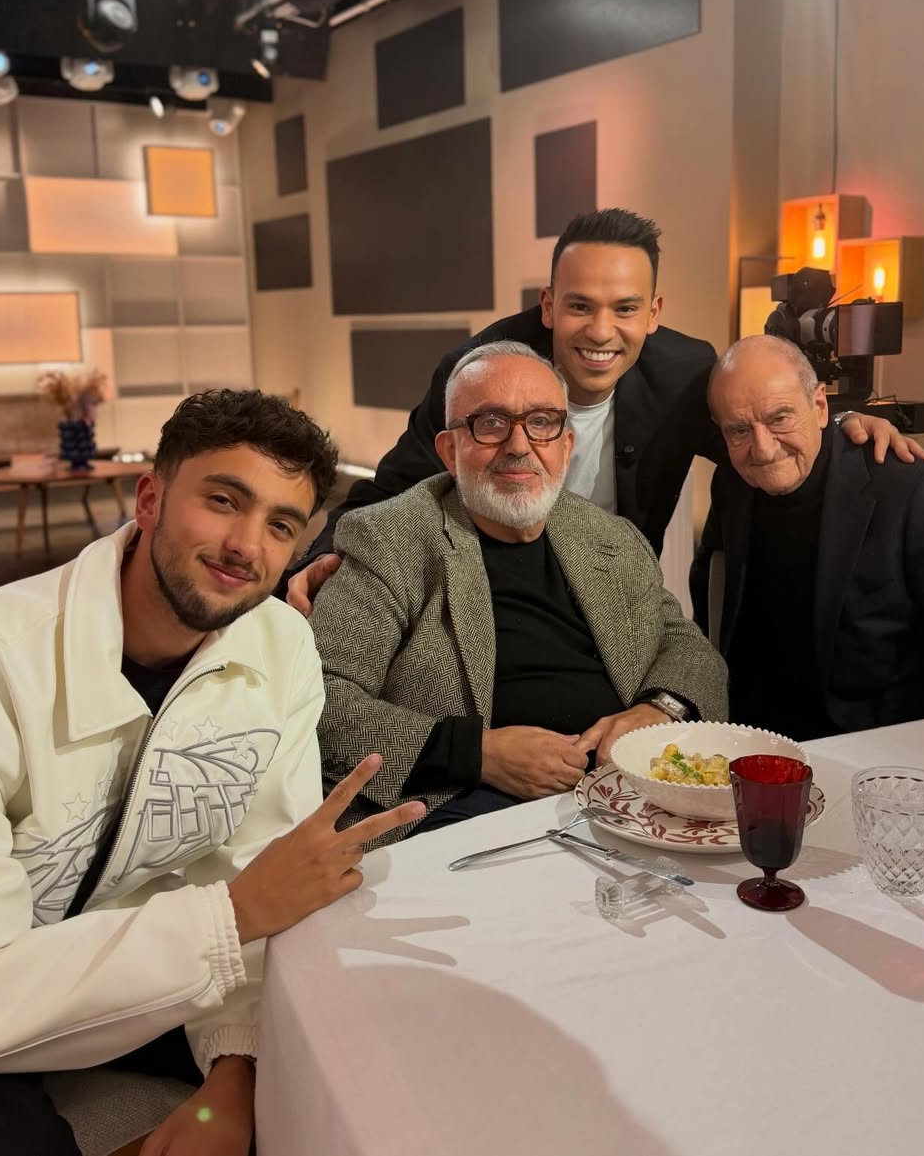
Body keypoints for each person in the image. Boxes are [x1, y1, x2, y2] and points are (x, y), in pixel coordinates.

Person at [0, 390, 424, 1156]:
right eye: (223, 500)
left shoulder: (281, 649)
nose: (245, 545)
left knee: (375, 1065)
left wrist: (237, 1072)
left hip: (147, 972)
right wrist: (226, 919)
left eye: (280, 525)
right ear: (149, 499)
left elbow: (255, 874)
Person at [286, 208, 924, 614]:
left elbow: (754, 437)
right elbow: (394, 488)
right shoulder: (481, 371)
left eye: (624, 308)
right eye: (579, 306)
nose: (600, 331)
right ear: (547, 305)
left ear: (653, 312)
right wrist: (321, 556)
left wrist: (838, 423)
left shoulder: (684, 374)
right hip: (491, 596)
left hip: (616, 598)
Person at [310, 342, 728, 842]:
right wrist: (478, 754)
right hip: (459, 808)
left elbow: (688, 649)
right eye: (490, 423)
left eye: (541, 422)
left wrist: (658, 710)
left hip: (625, 794)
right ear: (449, 450)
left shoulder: (613, 539)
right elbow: (319, 699)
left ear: (566, 446)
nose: (518, 445)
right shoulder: (390, 539)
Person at [690, 335, 924, 740]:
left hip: (879, 746)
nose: (762, 449)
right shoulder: (732, 482)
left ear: (819, 406)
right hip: (752, 737)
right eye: (740, 430)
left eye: (780, 418)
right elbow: (714, 593)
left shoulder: (914, 492)